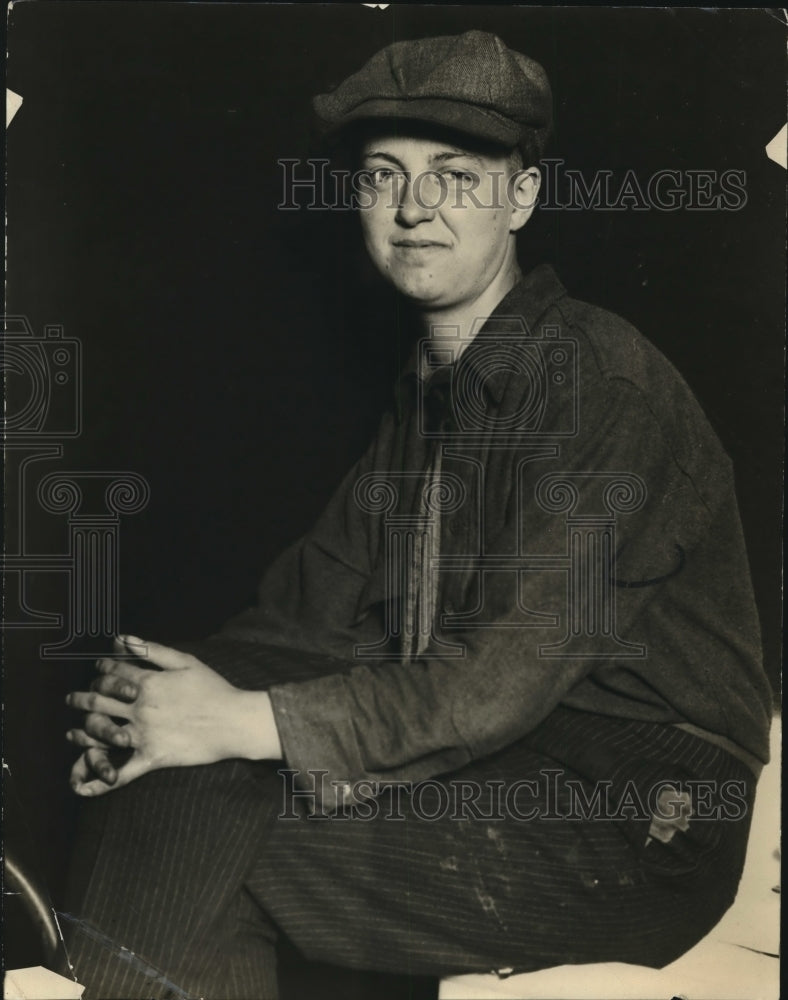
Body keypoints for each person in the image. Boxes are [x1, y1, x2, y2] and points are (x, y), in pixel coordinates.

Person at [61, 29, 772, 1000]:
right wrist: (158, 699)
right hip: (494, 769)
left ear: (520, 197)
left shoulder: (596, 380)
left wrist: (235, 718)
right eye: (381, 173)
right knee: (172, 793)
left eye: (455, 174)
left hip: (636, 816)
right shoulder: (431, 396)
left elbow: (493, 683)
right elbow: (306, 614)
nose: (412, 207)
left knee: (208, 833)